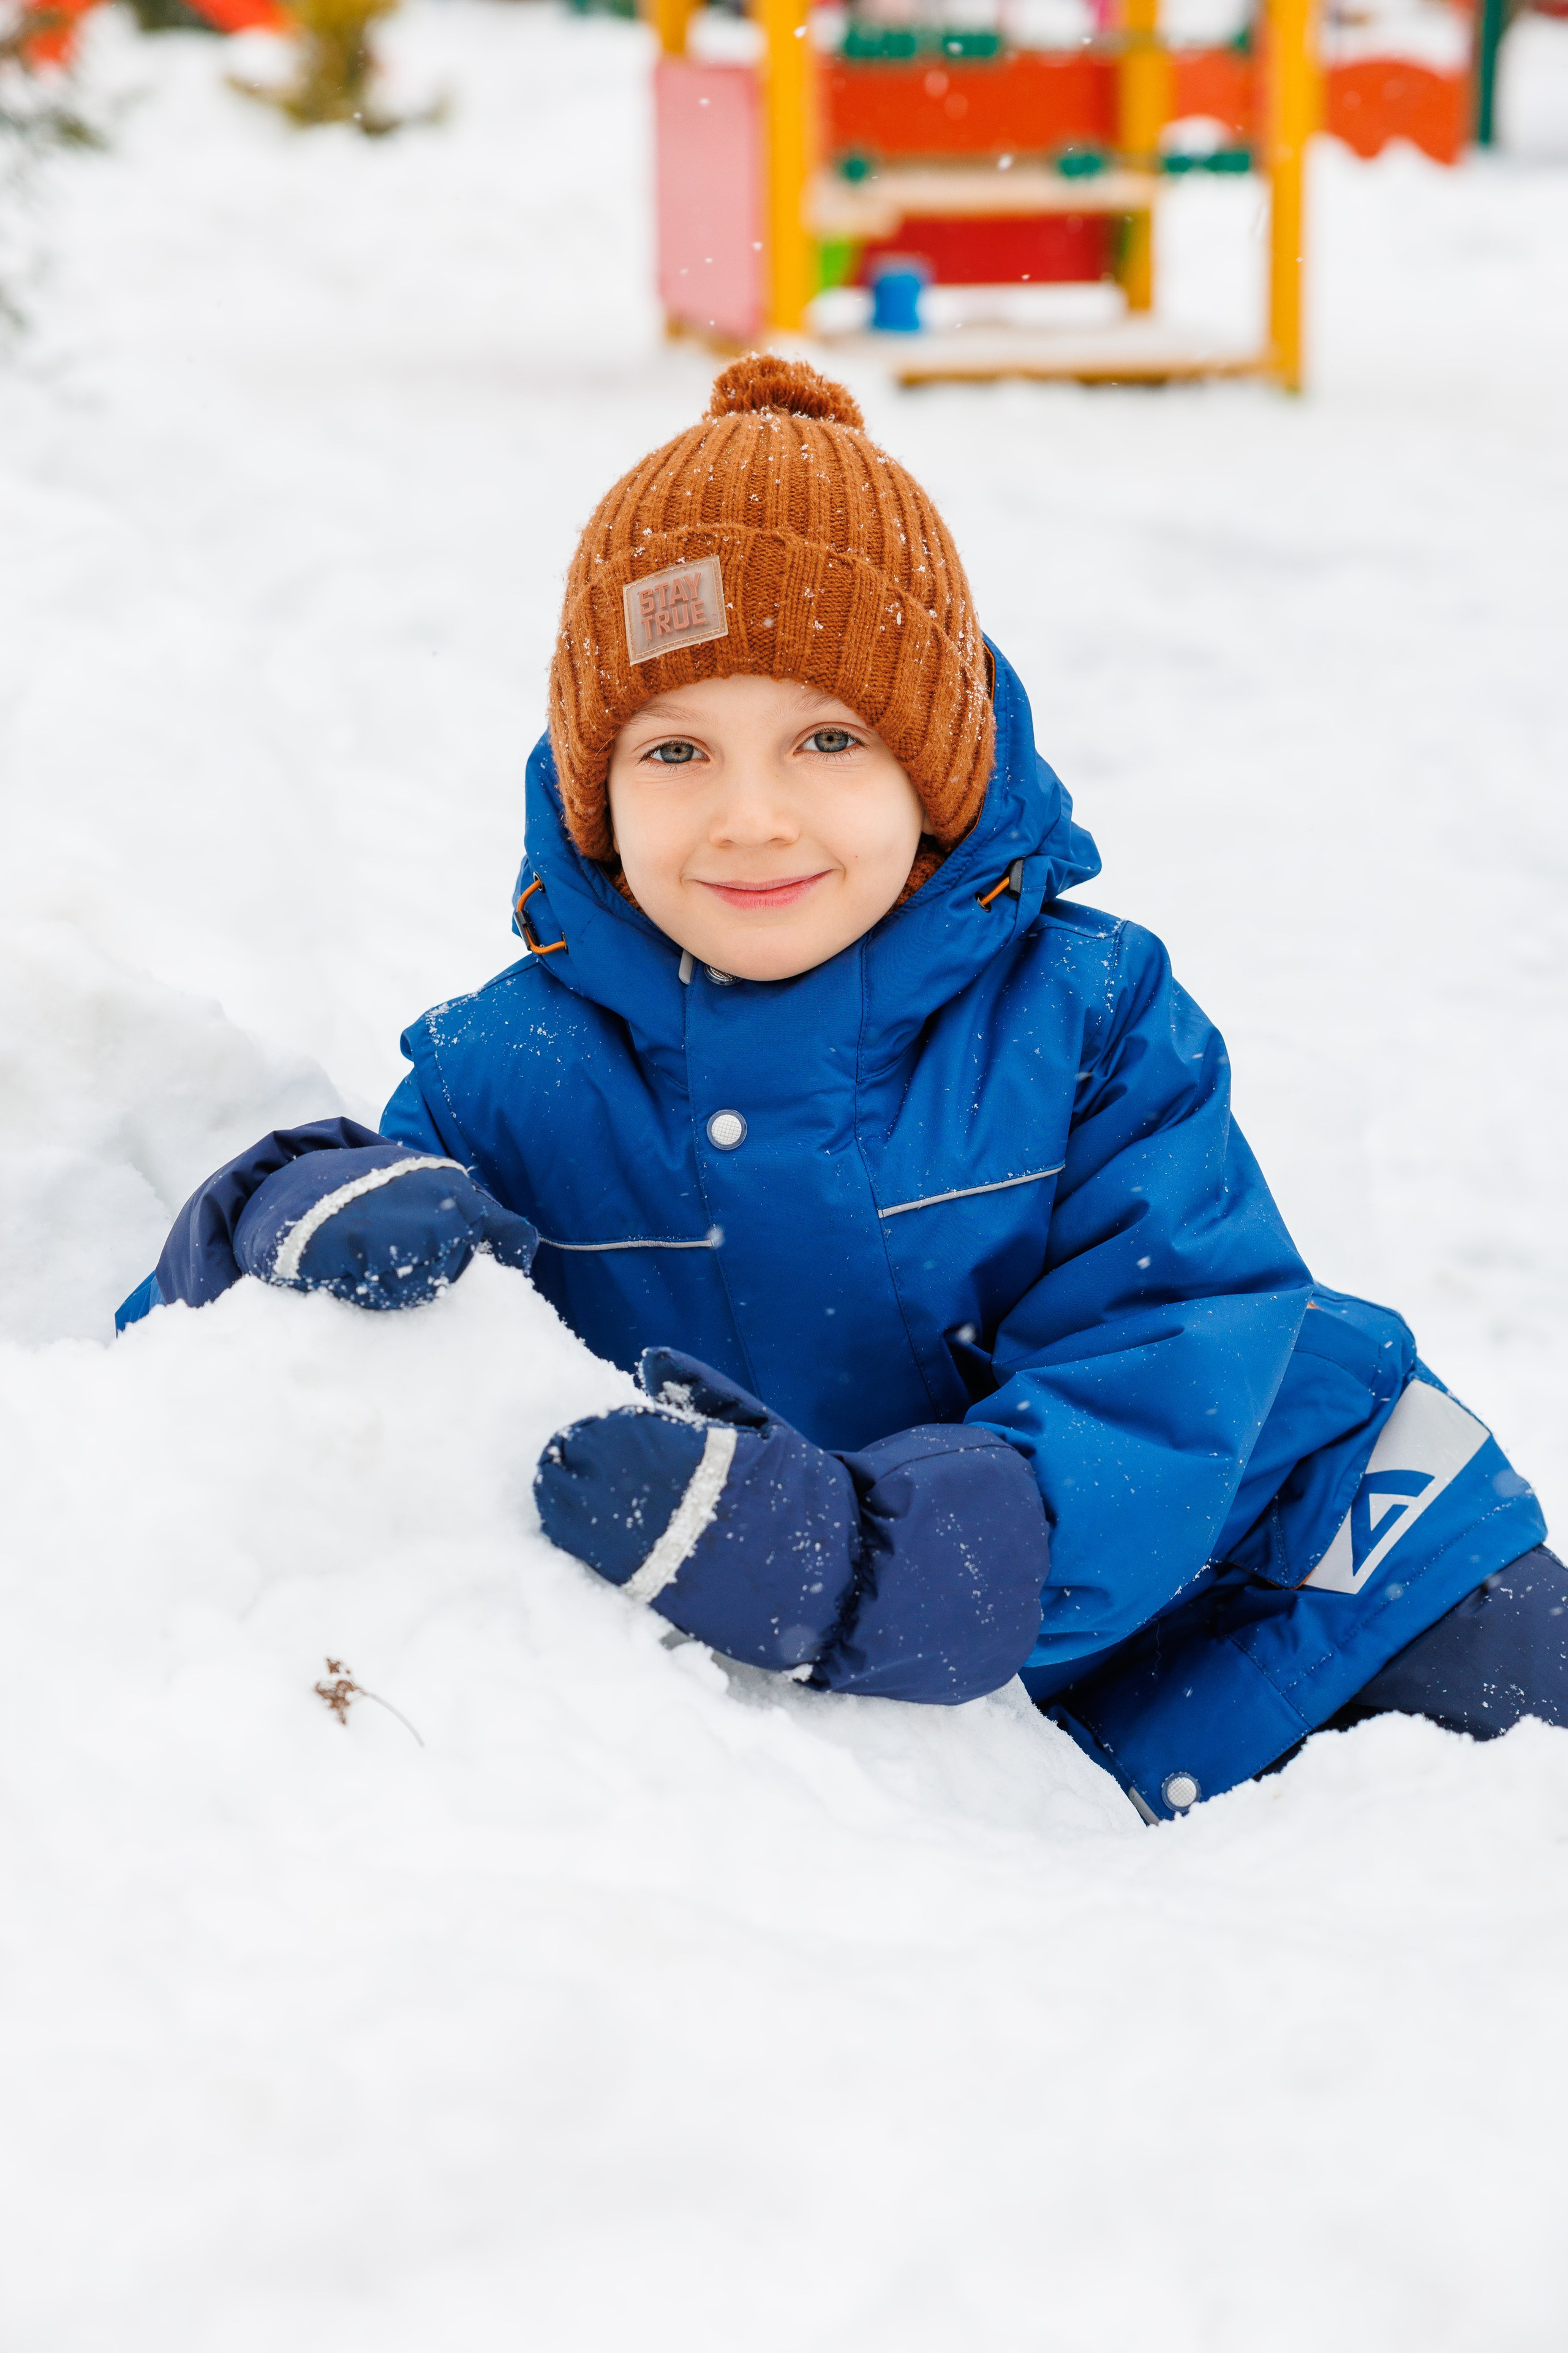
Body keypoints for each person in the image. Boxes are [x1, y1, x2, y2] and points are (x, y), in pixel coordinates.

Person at [118, 355, 1562, 1821]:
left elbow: (1173, 1342)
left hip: (1328, 1579)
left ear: (933, 772)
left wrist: (878, 1560)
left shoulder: (1084, 1014)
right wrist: (265, 1219)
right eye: (675, 750)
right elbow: (217, 1418)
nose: (751, 816)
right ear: (593, 795)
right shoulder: (517, 1076)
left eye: (826, 739)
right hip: (999, 1753)